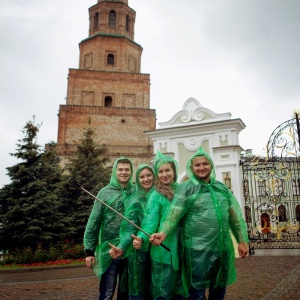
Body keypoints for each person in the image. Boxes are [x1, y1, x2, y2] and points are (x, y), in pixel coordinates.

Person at [150, 148, 249, 300]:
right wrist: (163, 233)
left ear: (211, 166)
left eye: (205, 164)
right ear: (191, 168)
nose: (201, 167)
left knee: (219, 289)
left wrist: (242, 240)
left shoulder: (221, 188)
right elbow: (173, 215)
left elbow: (234, 217)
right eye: (197, 165)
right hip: (196, 251)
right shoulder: (186, 188)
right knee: (196, 293)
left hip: (221, 248)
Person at [132, 151, 187, 300]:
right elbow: (150, 221)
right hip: (163, 252)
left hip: (183, 251)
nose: (164, 174)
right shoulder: (156, 195)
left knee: (182, 293)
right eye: (160, 171)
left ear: (174, 171)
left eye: (167, 170)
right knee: (163, 294)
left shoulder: (182, 191)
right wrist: (142, 238)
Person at [83, 157, 135, 300]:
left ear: (131, 172)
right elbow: (93, 222)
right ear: (114, 171)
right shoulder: (104, 193)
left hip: (130, 250)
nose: (124, 172)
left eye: (127, 169)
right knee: (107, 293)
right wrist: (89, 251)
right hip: (109, 251)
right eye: (120, 169)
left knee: (127, 292)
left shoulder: (135, 192)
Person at [109, 164, 155, 300]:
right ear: (137, 179)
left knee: (157, 289)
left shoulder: (161, 196)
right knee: (138, 289)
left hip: (159, 251)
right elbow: (128, 228)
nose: (145, 179)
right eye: (141, 177)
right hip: (138, 253)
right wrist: (122, 247)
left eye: (148, 175)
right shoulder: (134, 200)